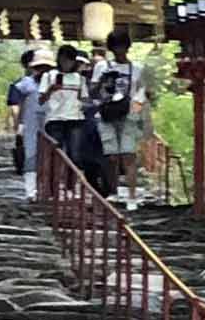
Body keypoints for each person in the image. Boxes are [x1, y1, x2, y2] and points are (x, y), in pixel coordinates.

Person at [88, 27, 150, 201]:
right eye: (115, 46)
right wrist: (103, 80)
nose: (118, 50)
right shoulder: (102, 66)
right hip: (107, 112)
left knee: (128, 155)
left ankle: (131, 194)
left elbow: (143, 92)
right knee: (111, 156)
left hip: (128, 112)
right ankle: (113, 191)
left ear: (127, 47)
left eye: (121, 46)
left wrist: (137, 112)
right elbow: (92, 92)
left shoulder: (137, 68)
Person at [45, 43, 104, 198]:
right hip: (54, 119)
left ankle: (70, 187)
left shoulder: (79, 79)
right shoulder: (49, 76)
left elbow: (83, 98)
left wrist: (92, 105)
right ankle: (52, 188)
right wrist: (51, 89)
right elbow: (41, 99)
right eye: (63, 60)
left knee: (75, 155)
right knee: (55, 154)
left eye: (69, 60)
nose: (66, 63)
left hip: (75, 119)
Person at [7, 53, 50, 180]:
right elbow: (15, 106)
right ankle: (32, 184)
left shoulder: (55, 83)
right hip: (31, 123)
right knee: (31, 154)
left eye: (46, 68)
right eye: (40, 67)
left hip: (51, 123)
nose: (43, 70)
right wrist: (19, 125)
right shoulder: (23, 84)